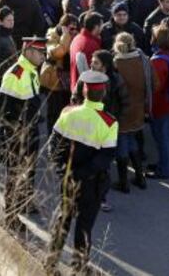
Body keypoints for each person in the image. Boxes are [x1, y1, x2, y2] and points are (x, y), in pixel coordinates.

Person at [45, 70, 118, 275]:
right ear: (103, 93)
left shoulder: (68, 112)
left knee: (62, 220)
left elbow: (53, 145)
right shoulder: (109, 122)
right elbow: (105, 158)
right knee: (84, 227)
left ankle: (50, 264)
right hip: (91, 183)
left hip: (67, 178)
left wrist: (62, 170)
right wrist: (82, 173)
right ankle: (78, 269)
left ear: (83, 92)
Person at [0, 37, 47, 231]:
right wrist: (10, 130)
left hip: (30, 130)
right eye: (41, 53)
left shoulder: (31, 71)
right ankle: (11, 215)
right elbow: (0, 108)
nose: (43, 57)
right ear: (29, 51)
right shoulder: (16, 73)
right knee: (14, 175)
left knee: (28, 171)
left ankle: (24, 202)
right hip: (17, 133)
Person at [112, 32, 152, 190]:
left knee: (122, 143)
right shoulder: (143, 60)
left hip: (121, 109)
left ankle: (124, 183)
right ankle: (140, 178)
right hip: (138, 109)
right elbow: (154, 83)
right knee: (133, 141)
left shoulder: (115, 63)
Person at [43, 14, 79, 134]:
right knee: (54, 112)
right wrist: (65, 36)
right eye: (70, 28)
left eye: (75, 28)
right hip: (55, 80)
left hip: (68, 80)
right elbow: (57, 53)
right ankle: (51, 138)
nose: (73, 31)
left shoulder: (75, 37)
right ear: (63, 27)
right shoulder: (53, 34)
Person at [148, 25, 169, 179]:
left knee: (162, 137)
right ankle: (164, 164)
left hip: (160, 105)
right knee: (166, 136)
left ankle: (164, 169)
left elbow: (155, 86)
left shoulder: (157, 61)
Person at [70, 11, 103, 91]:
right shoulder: (91, 45)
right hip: (87, 92)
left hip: (75, 86)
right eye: (101, 25)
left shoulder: (77, 38)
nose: (103, 28)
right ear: (96, 27)